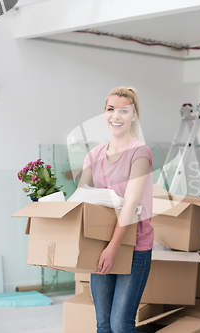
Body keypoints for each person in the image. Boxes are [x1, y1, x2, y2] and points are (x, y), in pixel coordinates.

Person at [78, 86, 153, 333]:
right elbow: (82, 200)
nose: (116, 116)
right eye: (111, 109)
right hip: (99, 244)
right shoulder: (93, 155)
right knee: (103, 325)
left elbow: (130, 205)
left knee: (121, 325)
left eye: (123, 110)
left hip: (133, 246)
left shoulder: (139, 152)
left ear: (133, 116)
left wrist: (113, 248)